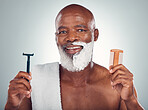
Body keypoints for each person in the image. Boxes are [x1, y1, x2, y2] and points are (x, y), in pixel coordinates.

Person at [5, 4, 143, 110]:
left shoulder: (117, 85)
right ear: (56, 38)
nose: (71, 38)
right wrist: (11, 105)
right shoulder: (34, 81)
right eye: (63, 31)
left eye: (80, 30)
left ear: (95, 35)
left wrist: (131, 100)